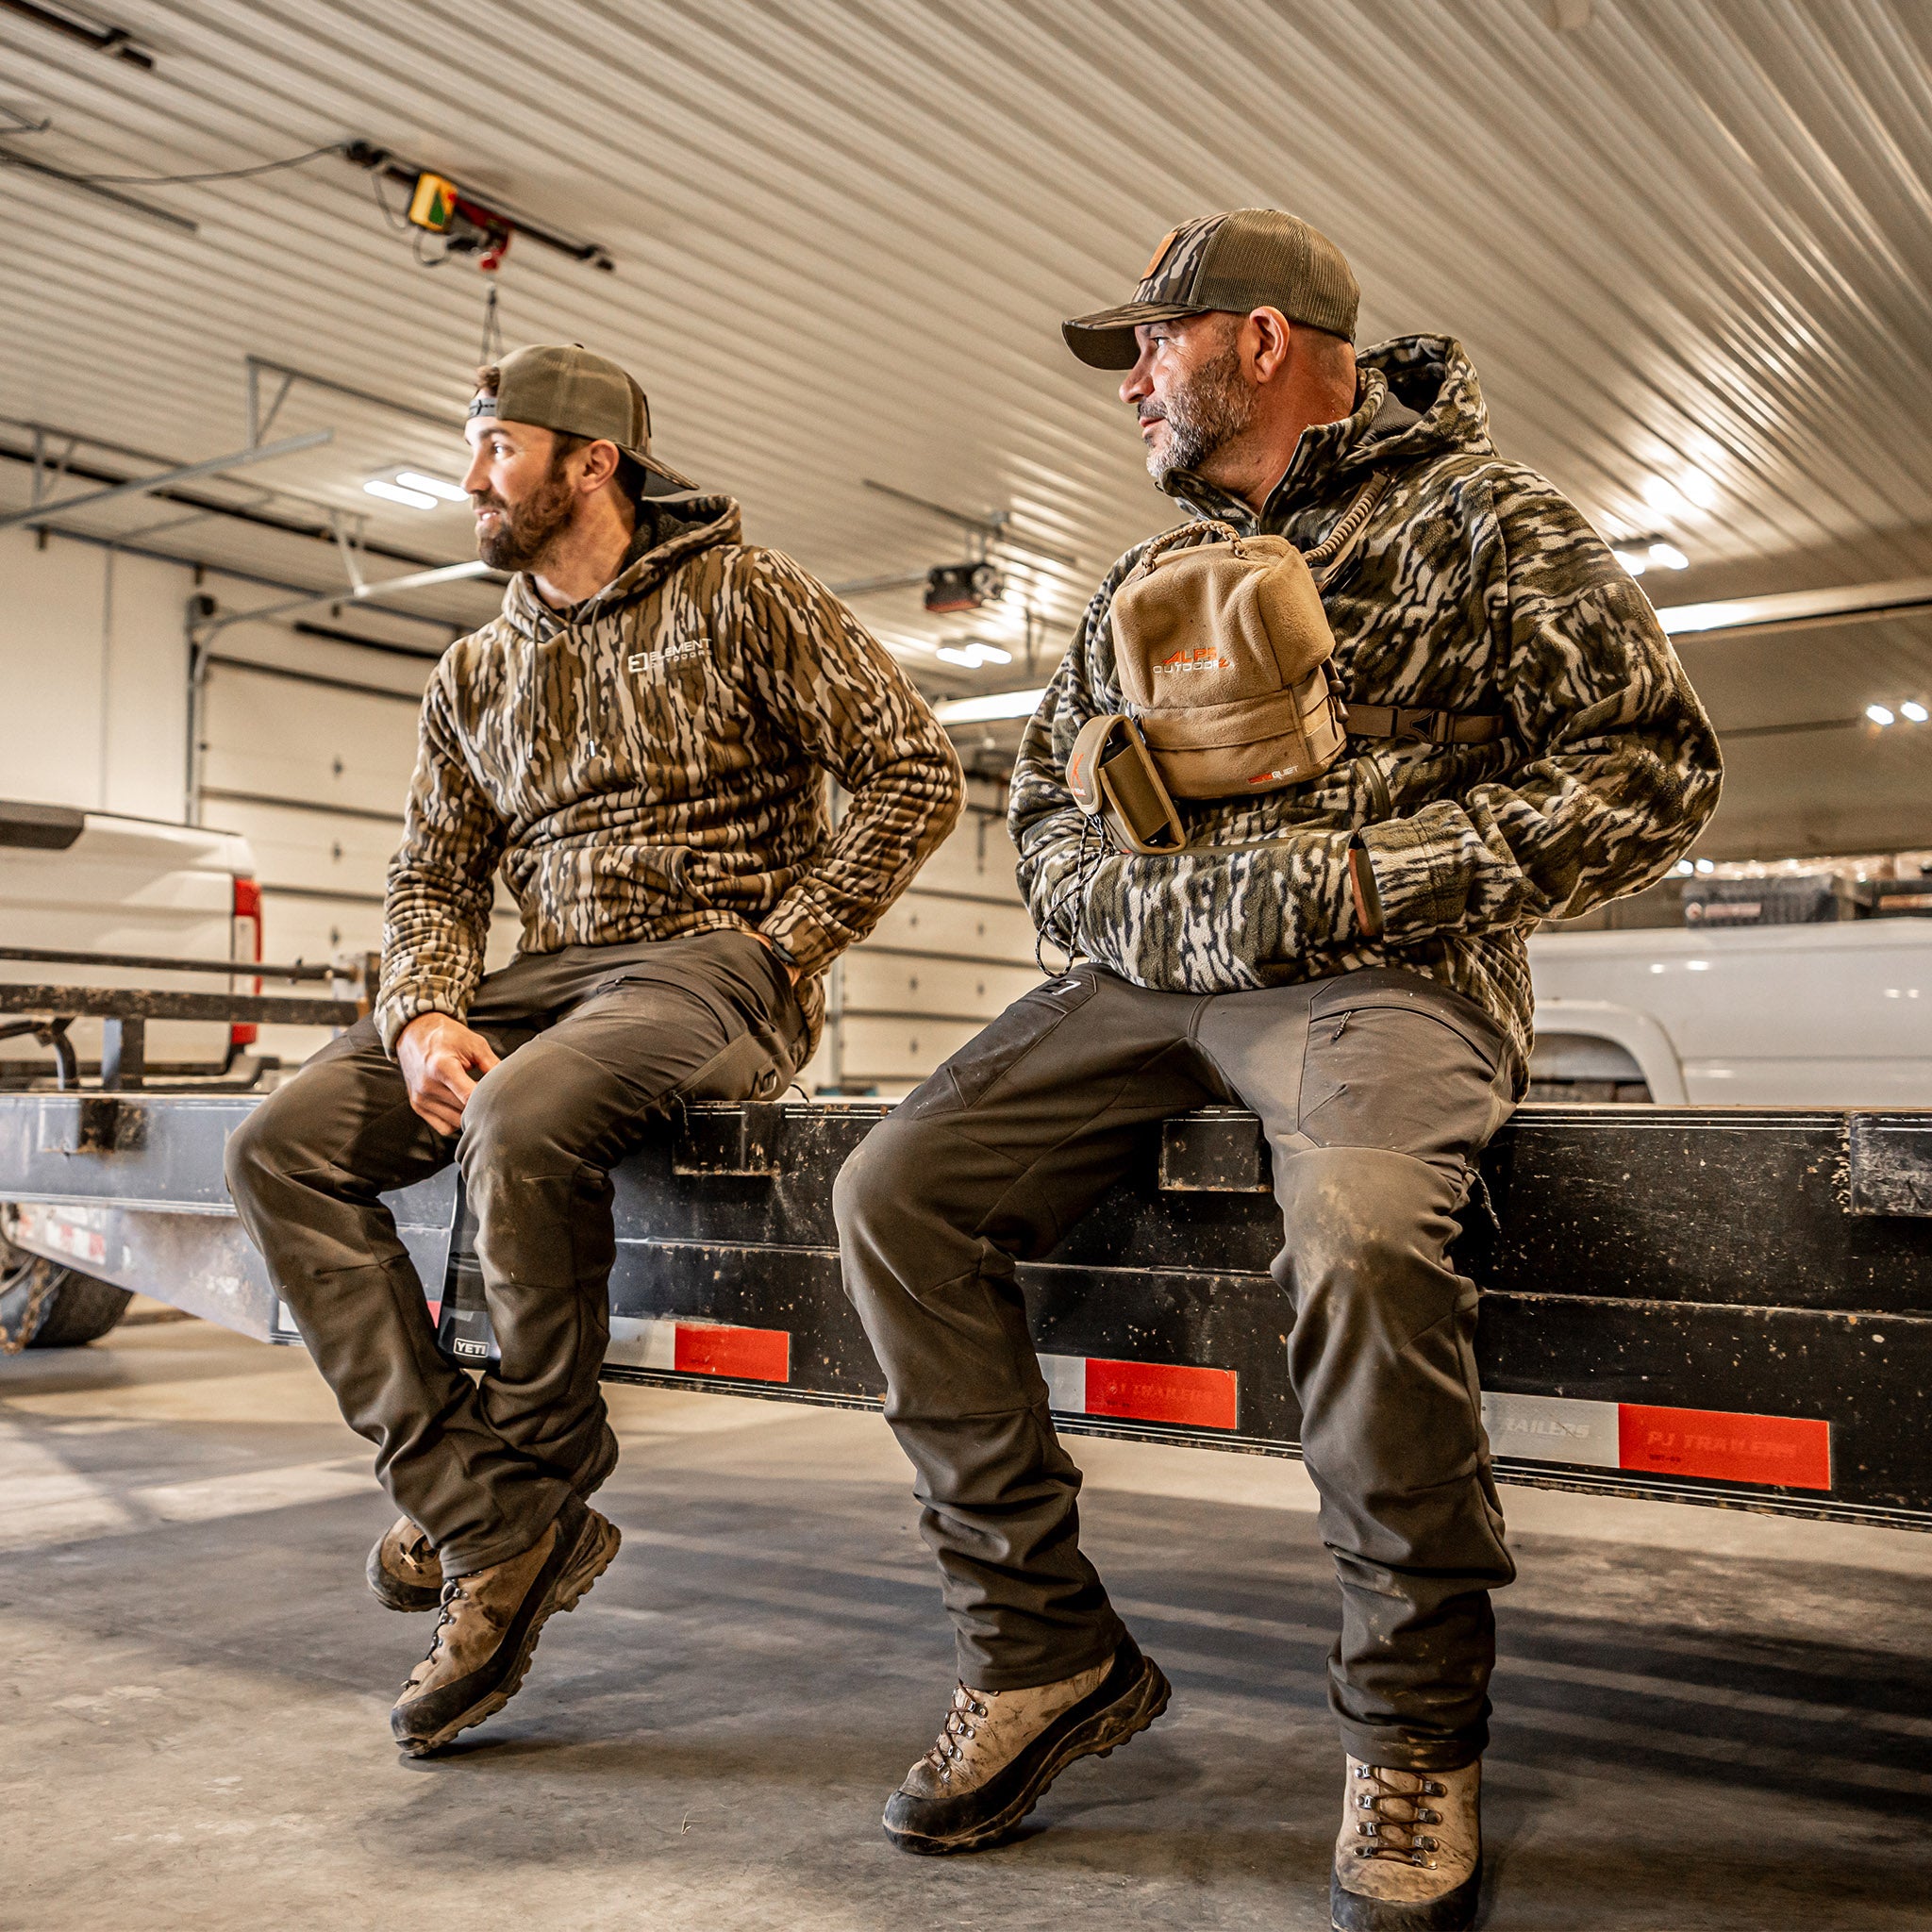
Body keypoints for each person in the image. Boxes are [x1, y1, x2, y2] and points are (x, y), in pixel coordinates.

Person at [833, 209, 1719, 1928]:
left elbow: (1651, 770)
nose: (1130, 391)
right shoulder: (1129, 593)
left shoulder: (1487, 523)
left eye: (1151, 349)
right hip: (1160, 976)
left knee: (1372, 1242)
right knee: (892, 1189)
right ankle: (1044, 1656)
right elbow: (1041, 829)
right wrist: (1168, 912)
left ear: (1258, 341)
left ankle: (1410, 1733)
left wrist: (1374, 877)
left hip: (1391, 973)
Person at [228, 342, 963, 1758]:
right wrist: (427, 1010)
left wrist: (787, 943)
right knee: (281, 1146)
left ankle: (534, 1486)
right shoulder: (477, 668)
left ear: (590, 461)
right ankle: (484, 1509)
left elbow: (915, 768)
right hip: (544, 978)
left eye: (496, 447)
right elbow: (430, 879)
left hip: (712, 970)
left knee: (524, 1119)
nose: (470, 477)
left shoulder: (749, 598)